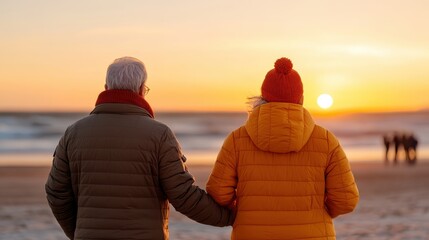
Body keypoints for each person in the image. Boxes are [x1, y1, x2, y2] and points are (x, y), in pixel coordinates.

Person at [45, 57, 234, 240]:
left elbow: (56, 191)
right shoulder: (159, 135)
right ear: (142, 89)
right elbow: (183, 195)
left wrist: (78, 232)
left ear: (106, 88)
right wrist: (229, 216)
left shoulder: (74, 133)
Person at [206, 57, 359, 239]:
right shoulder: (326, 141)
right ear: (301, 98)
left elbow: (218, 192)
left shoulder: (237, 140)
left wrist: (244, 210)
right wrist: (316, 211)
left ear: (263, 97)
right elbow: (346, 200)